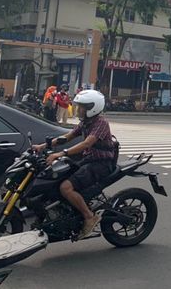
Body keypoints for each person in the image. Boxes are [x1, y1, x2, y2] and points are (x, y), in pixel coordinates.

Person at [33, 89, 116, 240]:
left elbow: (86, 143)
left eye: (81, 107)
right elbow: (68, 136)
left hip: (101, 163)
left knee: (66, 187)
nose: (78, 109)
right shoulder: (85, 122)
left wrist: (60, 153)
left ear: (92, 107)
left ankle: (89, 217)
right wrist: (42, 146)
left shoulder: (101, 123)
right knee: (57, 177)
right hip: (88, 160)